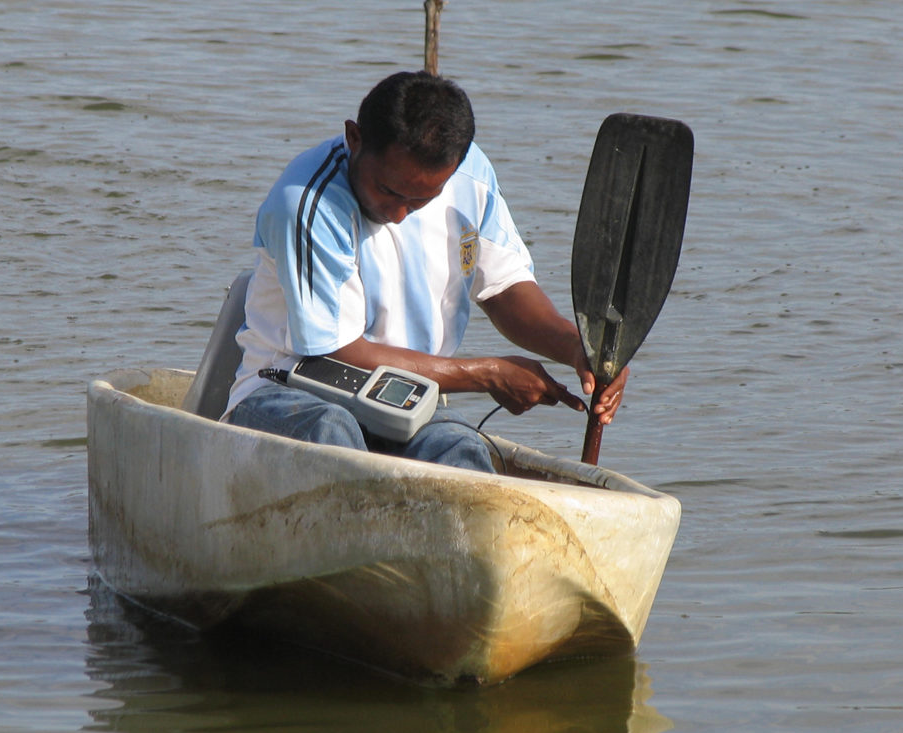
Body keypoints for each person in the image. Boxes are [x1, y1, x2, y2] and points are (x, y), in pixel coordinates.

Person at [222, 70, 627, 473]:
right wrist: (487, 375)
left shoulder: (471, 176)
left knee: (461, 451)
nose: (399, 214)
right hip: (286, 392)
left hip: (405, 403)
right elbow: (340, 352)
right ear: (354, 139)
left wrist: (578, 347)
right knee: (333, 433)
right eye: (389, 191)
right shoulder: (308, 202)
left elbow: (504, 290)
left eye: (420, 201)